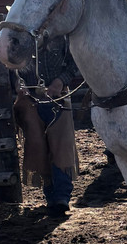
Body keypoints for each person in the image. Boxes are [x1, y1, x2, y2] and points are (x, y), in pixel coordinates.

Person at [13, 35, 80, 216]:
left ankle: (62, 196)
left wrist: (60, 81)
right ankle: (50, 194)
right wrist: (18, 84)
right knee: (38, 146)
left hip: (59, 96)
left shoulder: (62, 36)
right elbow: (12, 68)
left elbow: (74, 62)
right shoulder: (18, 41)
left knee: (62, 146)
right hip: (31, 99)